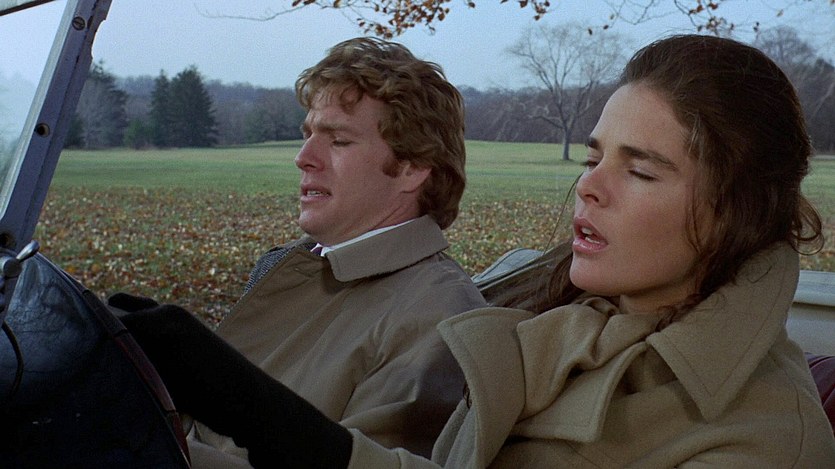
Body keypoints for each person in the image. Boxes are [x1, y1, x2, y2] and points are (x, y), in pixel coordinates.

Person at [115, 34, 835, 467]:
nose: (587, 188)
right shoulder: (557, 322)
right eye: (593, 157)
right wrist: (270, 420)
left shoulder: (765, 437)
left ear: (737, 209)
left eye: (640, 170)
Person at [110, 36, 485, 466]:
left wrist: (142, 447)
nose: (304, 157)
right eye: (307, 135)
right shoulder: (297, 265)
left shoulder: (437, 318)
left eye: (338, 140)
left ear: (413, 167)